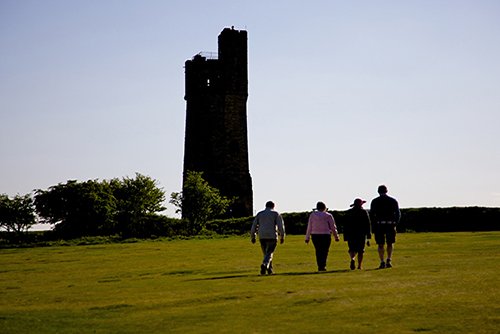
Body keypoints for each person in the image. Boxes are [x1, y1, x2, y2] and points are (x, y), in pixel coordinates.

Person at [370, 185, 400, 269]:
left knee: (380, 244)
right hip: (390, 224)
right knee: (390, 243)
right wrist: (395, 223)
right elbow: (398, 213)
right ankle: (389, 259)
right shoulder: (393, 200)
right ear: (387, 191)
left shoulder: (375, 201)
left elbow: (372, 214)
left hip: (379, 225)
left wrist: (374, 224)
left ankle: (382, 261)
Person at [250, 201, 285, 275]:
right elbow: (280, 226)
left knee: (266, 253)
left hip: (262, 236)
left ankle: (270, 270)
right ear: (273, 206)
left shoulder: (260, 214)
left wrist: (253, 236)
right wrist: (282, 236)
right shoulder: (275, 214)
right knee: (269, 252)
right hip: (272, 235)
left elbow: (254, 225)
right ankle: (265, 264)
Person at [305, 201, 340, 271]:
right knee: (325, 251)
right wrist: (336, 236)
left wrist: (307, 237)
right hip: (325, 235)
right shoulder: (328, 215)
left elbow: (309, 227)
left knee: (318, 251)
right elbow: (333, 227)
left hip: (315, 235)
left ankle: (320, 265)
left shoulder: (312, 215)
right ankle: (323, 265)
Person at [343, 198, 372, 270]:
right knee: (361, 250)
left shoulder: (349, 212)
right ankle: (359, 265)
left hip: (351, 234)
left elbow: (345, 224)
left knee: (352, 249)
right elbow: (368, 224)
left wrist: (345, 236)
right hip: (361, 234)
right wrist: (369, 235)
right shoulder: (364, 212)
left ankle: (352, 258)